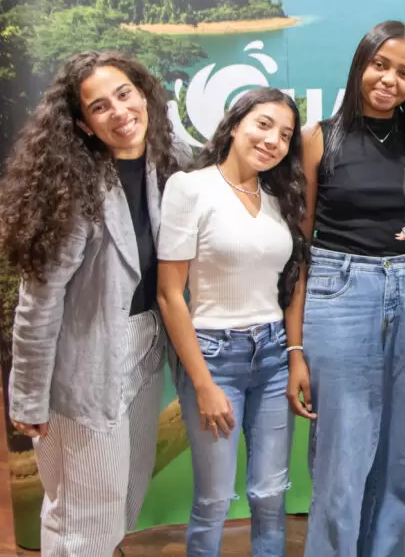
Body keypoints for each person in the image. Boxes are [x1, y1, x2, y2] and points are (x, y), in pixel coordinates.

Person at [0, 50, 188, 556]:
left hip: (143, 352)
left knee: (123, 493)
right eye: (100, 106)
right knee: (85, 512)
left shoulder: (165, 162)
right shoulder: (72, 189)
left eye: (125, 94)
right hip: (83, 365)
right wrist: (28, 397)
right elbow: (38, 302)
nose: (119, 111)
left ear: (144, 95)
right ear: (83, 124)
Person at [284, 20, 405, 557]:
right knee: (342, 453)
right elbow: (301, 246)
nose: (389, 80)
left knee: (400, 457)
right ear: (360, 65)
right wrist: (295, 349)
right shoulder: (319, 138)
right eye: (380, 65)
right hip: (339, 295)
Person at [156, 87, 306, 556]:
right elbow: (170, 294)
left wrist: (294, 355)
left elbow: (290, 284)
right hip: (214, 356)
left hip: (273, 356)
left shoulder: (280, 198)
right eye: (263, 124)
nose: (273, 140)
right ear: (235, 124)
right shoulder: (190, 188)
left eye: (285, 135)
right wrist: (203, 384)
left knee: (271, 494)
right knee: (215, 499)